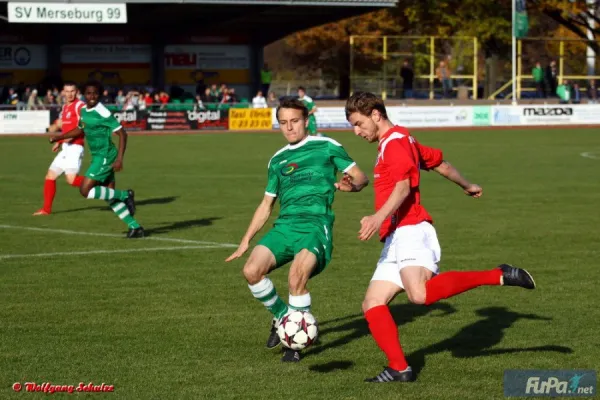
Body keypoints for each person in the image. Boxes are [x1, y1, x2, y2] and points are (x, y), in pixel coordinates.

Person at [344, 92, 536, 383]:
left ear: (375, 114)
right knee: (372, 303)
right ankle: (400, 368)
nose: (357, 132)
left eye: (358, 124)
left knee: (419, 294)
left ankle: (498, 274)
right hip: (396, 236)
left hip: (411, 229)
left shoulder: (395, 143)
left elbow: (404, 186)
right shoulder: (399, 142)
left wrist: (377, 217)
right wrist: (466, 184)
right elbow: (439, 163)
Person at [226, 98, 369, 362]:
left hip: (315, 226)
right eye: (283, 123)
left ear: (306, 121)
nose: (289, 128)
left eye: (294, 121)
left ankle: (293, 346)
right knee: (251, 270)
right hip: (285, 226)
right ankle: (283, 318)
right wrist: (246, 239)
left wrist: (353, 185)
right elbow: (267, 203)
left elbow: (361, 177)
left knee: (297, 276)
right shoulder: (277, 160)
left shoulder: (327, 146)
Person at [48, 81, 144, 238]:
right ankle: (135, 227)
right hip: (98, 156)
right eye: (88, 93)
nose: (91, 96)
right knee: (109, 195)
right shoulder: (84, 110)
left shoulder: (103, 112)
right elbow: (80, 129)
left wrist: (120, 159)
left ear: (99, 95)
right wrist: (60, 137)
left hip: (106, 155)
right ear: (84, 95)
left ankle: (126, 195)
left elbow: (122, 134)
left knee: (85, 190)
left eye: (95, 93)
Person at [33, 81, 86, 215]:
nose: (69, 94)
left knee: (72, 180)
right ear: (63, 92)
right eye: (67, 91)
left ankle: (101, 183)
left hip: (75, 146)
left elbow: (83, 127)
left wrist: (66, 139)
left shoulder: (80, 106)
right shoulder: (65, 107)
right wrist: (60, 141)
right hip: (66, 147)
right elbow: (66, 127)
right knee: (50, 176)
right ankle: (46, 209)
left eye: (72, 91)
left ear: (77, 92)